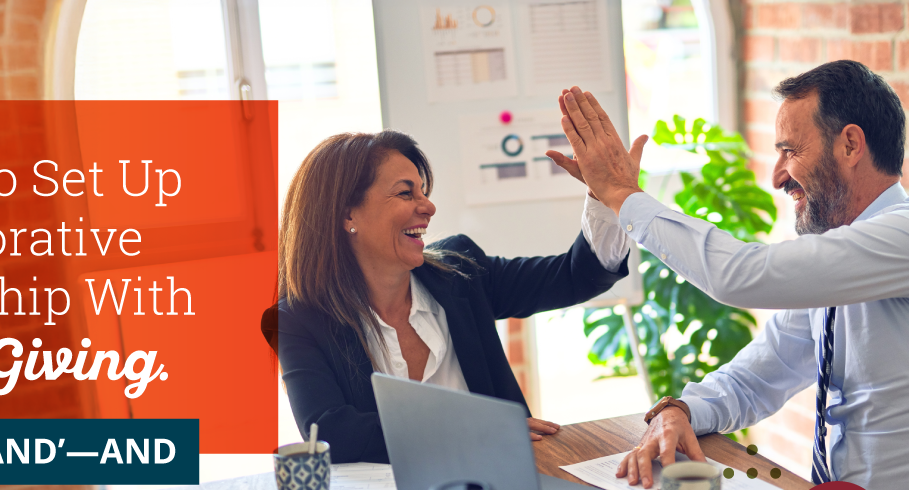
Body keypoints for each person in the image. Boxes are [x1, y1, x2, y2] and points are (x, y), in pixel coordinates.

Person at [546, 60, 909, 490]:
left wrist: (624, 196)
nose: (777, 175)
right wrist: (681, 409)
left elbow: (743, 275)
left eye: (789, 150)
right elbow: (757, 378)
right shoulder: (838, 261)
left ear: (850, 144)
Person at [263, 130, 633, 463]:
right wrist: (474, 428)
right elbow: (331, 434)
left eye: (424, 191)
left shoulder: (461, 271)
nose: (428, 206)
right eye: (406, 192)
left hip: (504, 485)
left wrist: (606, 196)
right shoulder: (297, 321)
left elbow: (575, 276)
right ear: (347, 215)